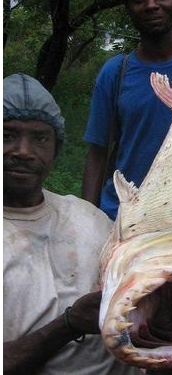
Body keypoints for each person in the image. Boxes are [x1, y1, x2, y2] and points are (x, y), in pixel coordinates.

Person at [3, 73, 142, 375]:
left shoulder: (89, 219)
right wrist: (69, 325)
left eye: (40, 138)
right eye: (7, 135)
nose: (23, 151)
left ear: (55, 149)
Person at [82, 0, 172, 220]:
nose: (151, 5)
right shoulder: (115, 72)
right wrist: (86, 219)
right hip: (122, 218)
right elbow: (98, 152)